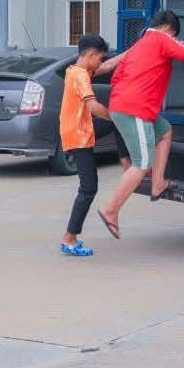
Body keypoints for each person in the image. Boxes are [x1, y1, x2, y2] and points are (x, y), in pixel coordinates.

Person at [97, 9, 184, 240]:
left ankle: (158, 184)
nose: (173, 38)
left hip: (126, 105)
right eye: (174, 34)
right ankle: (111, 211)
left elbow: (116, 75)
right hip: (134, 109)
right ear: (168, 28)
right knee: (141, 164)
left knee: (165, 131)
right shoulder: (160, 38)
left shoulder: (140, 44)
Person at [57, 34, 118, 257]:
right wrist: (115, 116)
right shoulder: (81, 76)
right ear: (92, 55)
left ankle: (127, 162)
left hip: (80, 130)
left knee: (117, 124)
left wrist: (129, 54)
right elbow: (93, 107)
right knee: (88, 188)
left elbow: (106, 66)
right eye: (100, 58)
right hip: (79, 135)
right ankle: (69, 238)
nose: (101, 63)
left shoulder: (73, 70)